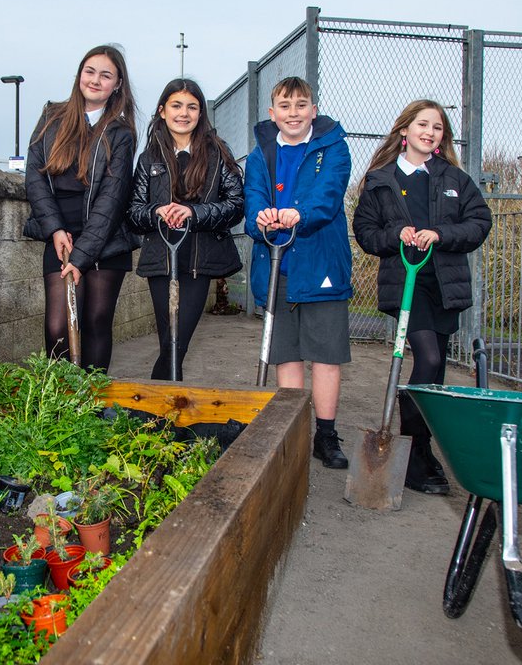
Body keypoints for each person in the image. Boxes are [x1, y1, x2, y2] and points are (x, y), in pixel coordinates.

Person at [352, 99, 492, 494]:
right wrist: (395, 234)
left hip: (444, 284)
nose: (430, 132)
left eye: (438, 128)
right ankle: (414, 454)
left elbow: (480, 221)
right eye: (422, 125)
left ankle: (421, 451)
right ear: (404, 131)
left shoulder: (454, 179)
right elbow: (365, 233)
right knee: (427, 358)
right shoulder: (380, 180)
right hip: (407, 284)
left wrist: (441, 234)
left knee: (436, 372)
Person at [244, 76, 353, 468]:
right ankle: (293, 429)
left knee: (325, 355)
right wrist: (262, 219)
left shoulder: (333, 148)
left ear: (313, 110)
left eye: (301, 105)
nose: (293, 113)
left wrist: (298, 214)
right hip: (277, 267)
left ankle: (326, 434)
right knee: (286, 355)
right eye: (285, 107)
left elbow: (328, 196)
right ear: (273, 114)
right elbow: (253, 198)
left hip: (321, 265)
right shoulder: (260, 154)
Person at [23, 45, 138, 370]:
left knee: (95, 323)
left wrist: (82, 255)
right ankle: (61, 409)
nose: (96, 80)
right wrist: (55, 229)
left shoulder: (121, 132)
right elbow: (35, 177)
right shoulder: (51, 117)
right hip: (60, 237)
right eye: (90, 71)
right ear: (79, 75)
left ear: (117, 84)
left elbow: (113, 199)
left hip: (106, 241)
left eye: (106, 75)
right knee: (58, 327)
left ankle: (93, 408)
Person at [128, 78, 244, 381]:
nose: (184, 113)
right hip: (160, 260)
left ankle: (158, 413)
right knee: (169, 342)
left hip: (198, 260)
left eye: (192, 106)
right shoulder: (149, 158)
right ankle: (166, 414)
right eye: (177, 105)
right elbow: (133, 212)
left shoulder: (217, 153)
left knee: (177, 343)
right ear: (162, 111)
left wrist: (193, 212)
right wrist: (158, 212)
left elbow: (235, 205)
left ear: (201, 113)